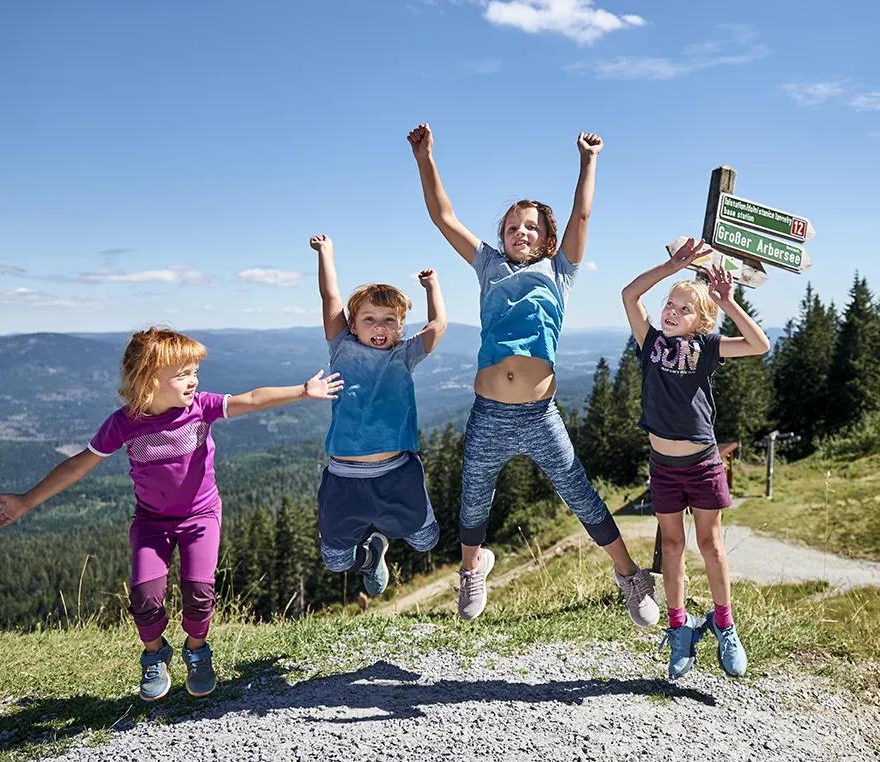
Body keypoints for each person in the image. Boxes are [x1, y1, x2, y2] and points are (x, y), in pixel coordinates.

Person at [0, 327, 341, 701]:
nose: (193, 380)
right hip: (151, 522)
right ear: (147, 378)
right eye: (182, 374)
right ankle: (155, 654)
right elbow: (79, 465)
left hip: (201, 517)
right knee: (144, 596)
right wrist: (27, 500)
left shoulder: (201, 408)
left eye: (194, 372)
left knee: (199, 591)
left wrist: (303, 392)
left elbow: (251, 399)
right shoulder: (124, 423)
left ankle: (197, 650)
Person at [407, 123, 659, 626]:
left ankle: (631, 577)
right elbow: (443, 216)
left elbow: (582, 215)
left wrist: (588, 162)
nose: (521, 232)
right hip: (488, 413)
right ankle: (473, 568)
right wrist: (425, 158)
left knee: (580, 493)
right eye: (511, 226)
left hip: (540, 416)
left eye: (531, 227)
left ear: (546, 238)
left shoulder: (559, 271)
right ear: (501, 236)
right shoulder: (487, 265)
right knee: (473, 498)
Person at [621, 240, 770, 679]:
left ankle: (725, 626)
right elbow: (630, 295)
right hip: (663, 467)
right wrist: (670, 267)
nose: (671, 311)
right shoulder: (650, 342)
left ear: (702, 321)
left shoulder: (708, 346)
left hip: (703, 464)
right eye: (670, 303)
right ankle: (679, 628)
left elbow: (758, 345)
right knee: (671, 546)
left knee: (710, 545)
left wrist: (728, 302)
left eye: (684, 309)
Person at [311, 234, 447, 599]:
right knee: (337, 561)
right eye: (369, 319)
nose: (380, 326)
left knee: (425, 540)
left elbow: (438, 325)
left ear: (400, 328)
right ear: (353, 324)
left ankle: (384, 535)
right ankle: (372, 555)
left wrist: (432, 287)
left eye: (390, 320)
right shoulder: (341, 347)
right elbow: (331, 298)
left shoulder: (405, 354)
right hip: (344, 476)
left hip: (395, 472)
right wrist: (327, 253)